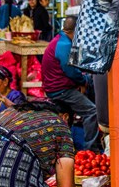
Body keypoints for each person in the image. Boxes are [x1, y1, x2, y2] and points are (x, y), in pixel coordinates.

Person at [42, 15, 98, 150]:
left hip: (58, 86)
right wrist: (83, 81)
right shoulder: (64, 44)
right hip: (60, 90)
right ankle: (92, 149)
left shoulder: (60, 40)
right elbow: (71, 71)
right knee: (92, 111)